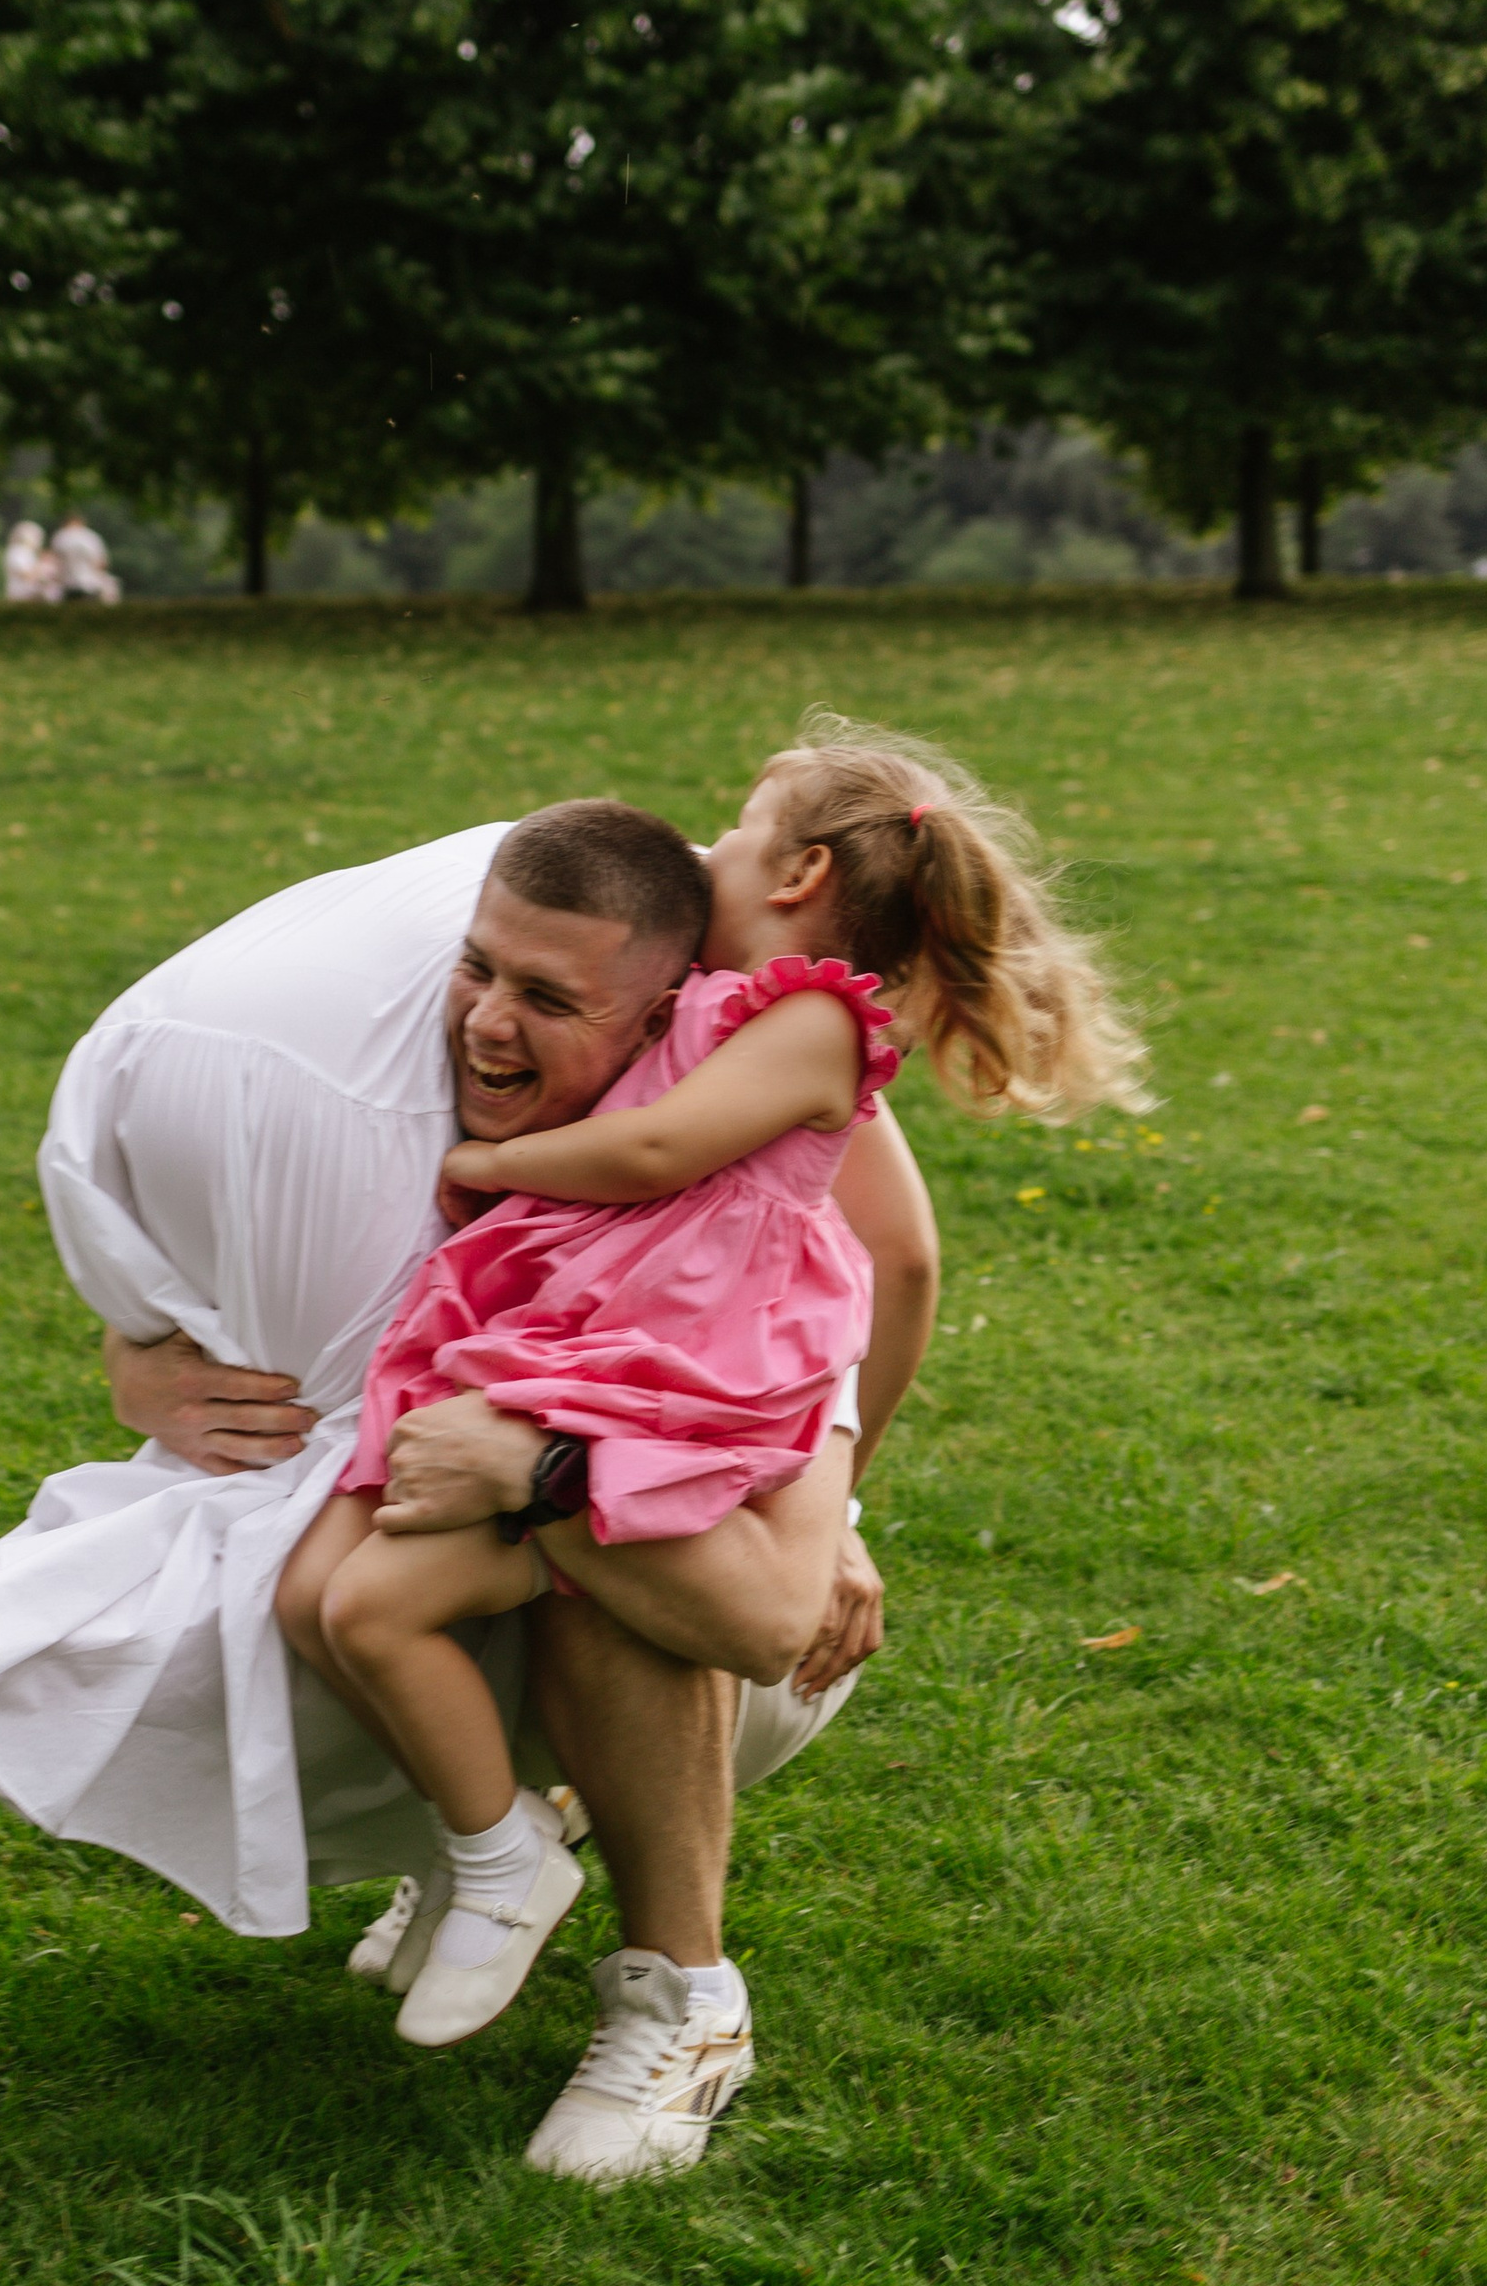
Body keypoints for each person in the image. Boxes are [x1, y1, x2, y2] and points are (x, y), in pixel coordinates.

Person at [0, 797, 935, 2180]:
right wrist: (151, 1336)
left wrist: (793, 1505)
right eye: (479, 971)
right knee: (322, 1559)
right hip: (578, 1449)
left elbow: (788, 1552)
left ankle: (686, 2000)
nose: (481, 1020)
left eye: (548, 997)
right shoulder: (608, 949)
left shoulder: (760, 1090)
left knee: (565, 1556)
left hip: (730, 1572)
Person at [280, 722, 1145, 2053]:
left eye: (734, 833)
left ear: (796, 873)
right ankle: (492, 1846)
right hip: (607, 1332)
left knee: (675, 1603)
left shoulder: (805, 1021)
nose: (706, 851)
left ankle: (671, 1996)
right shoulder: (702, 994)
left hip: (697, 1354)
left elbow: (787, 1205)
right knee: (347, 1598)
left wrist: (836, 1502)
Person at [51, 511, 119, 604]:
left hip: (66, 583)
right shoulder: (92, 537)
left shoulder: (59, 537)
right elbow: (101, 563)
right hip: (90, 583)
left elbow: (55, 561)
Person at [3, 518, 58, 604]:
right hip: (20, 594)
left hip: (28, 594)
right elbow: (25, 574)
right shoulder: (17, 551)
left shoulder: (28, 553)